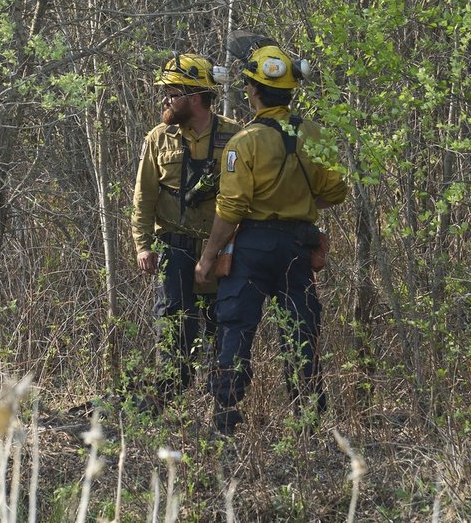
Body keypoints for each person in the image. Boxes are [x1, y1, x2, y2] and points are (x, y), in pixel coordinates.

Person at [194, 39, 347, 436]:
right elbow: (336, 191)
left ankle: (225, 421)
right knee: (302, 330)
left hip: (253, 247)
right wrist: (298, 195)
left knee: (236, 326)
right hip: (298, 245)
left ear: (254, 91)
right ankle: (309, 422)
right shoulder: (315, 135)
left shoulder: (242, 143)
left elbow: (230, 210)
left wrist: (208, 257)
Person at [130, 53, 241, 413]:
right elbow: (143, 196)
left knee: (220, 326)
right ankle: (163, 402)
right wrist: (143, 245)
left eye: (172, 92)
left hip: (221, 250)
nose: (165, 99)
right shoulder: (158, 138)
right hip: (173, 247)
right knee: (173, 324)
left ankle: (220, 408)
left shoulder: (235, 135)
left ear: (194, 98)